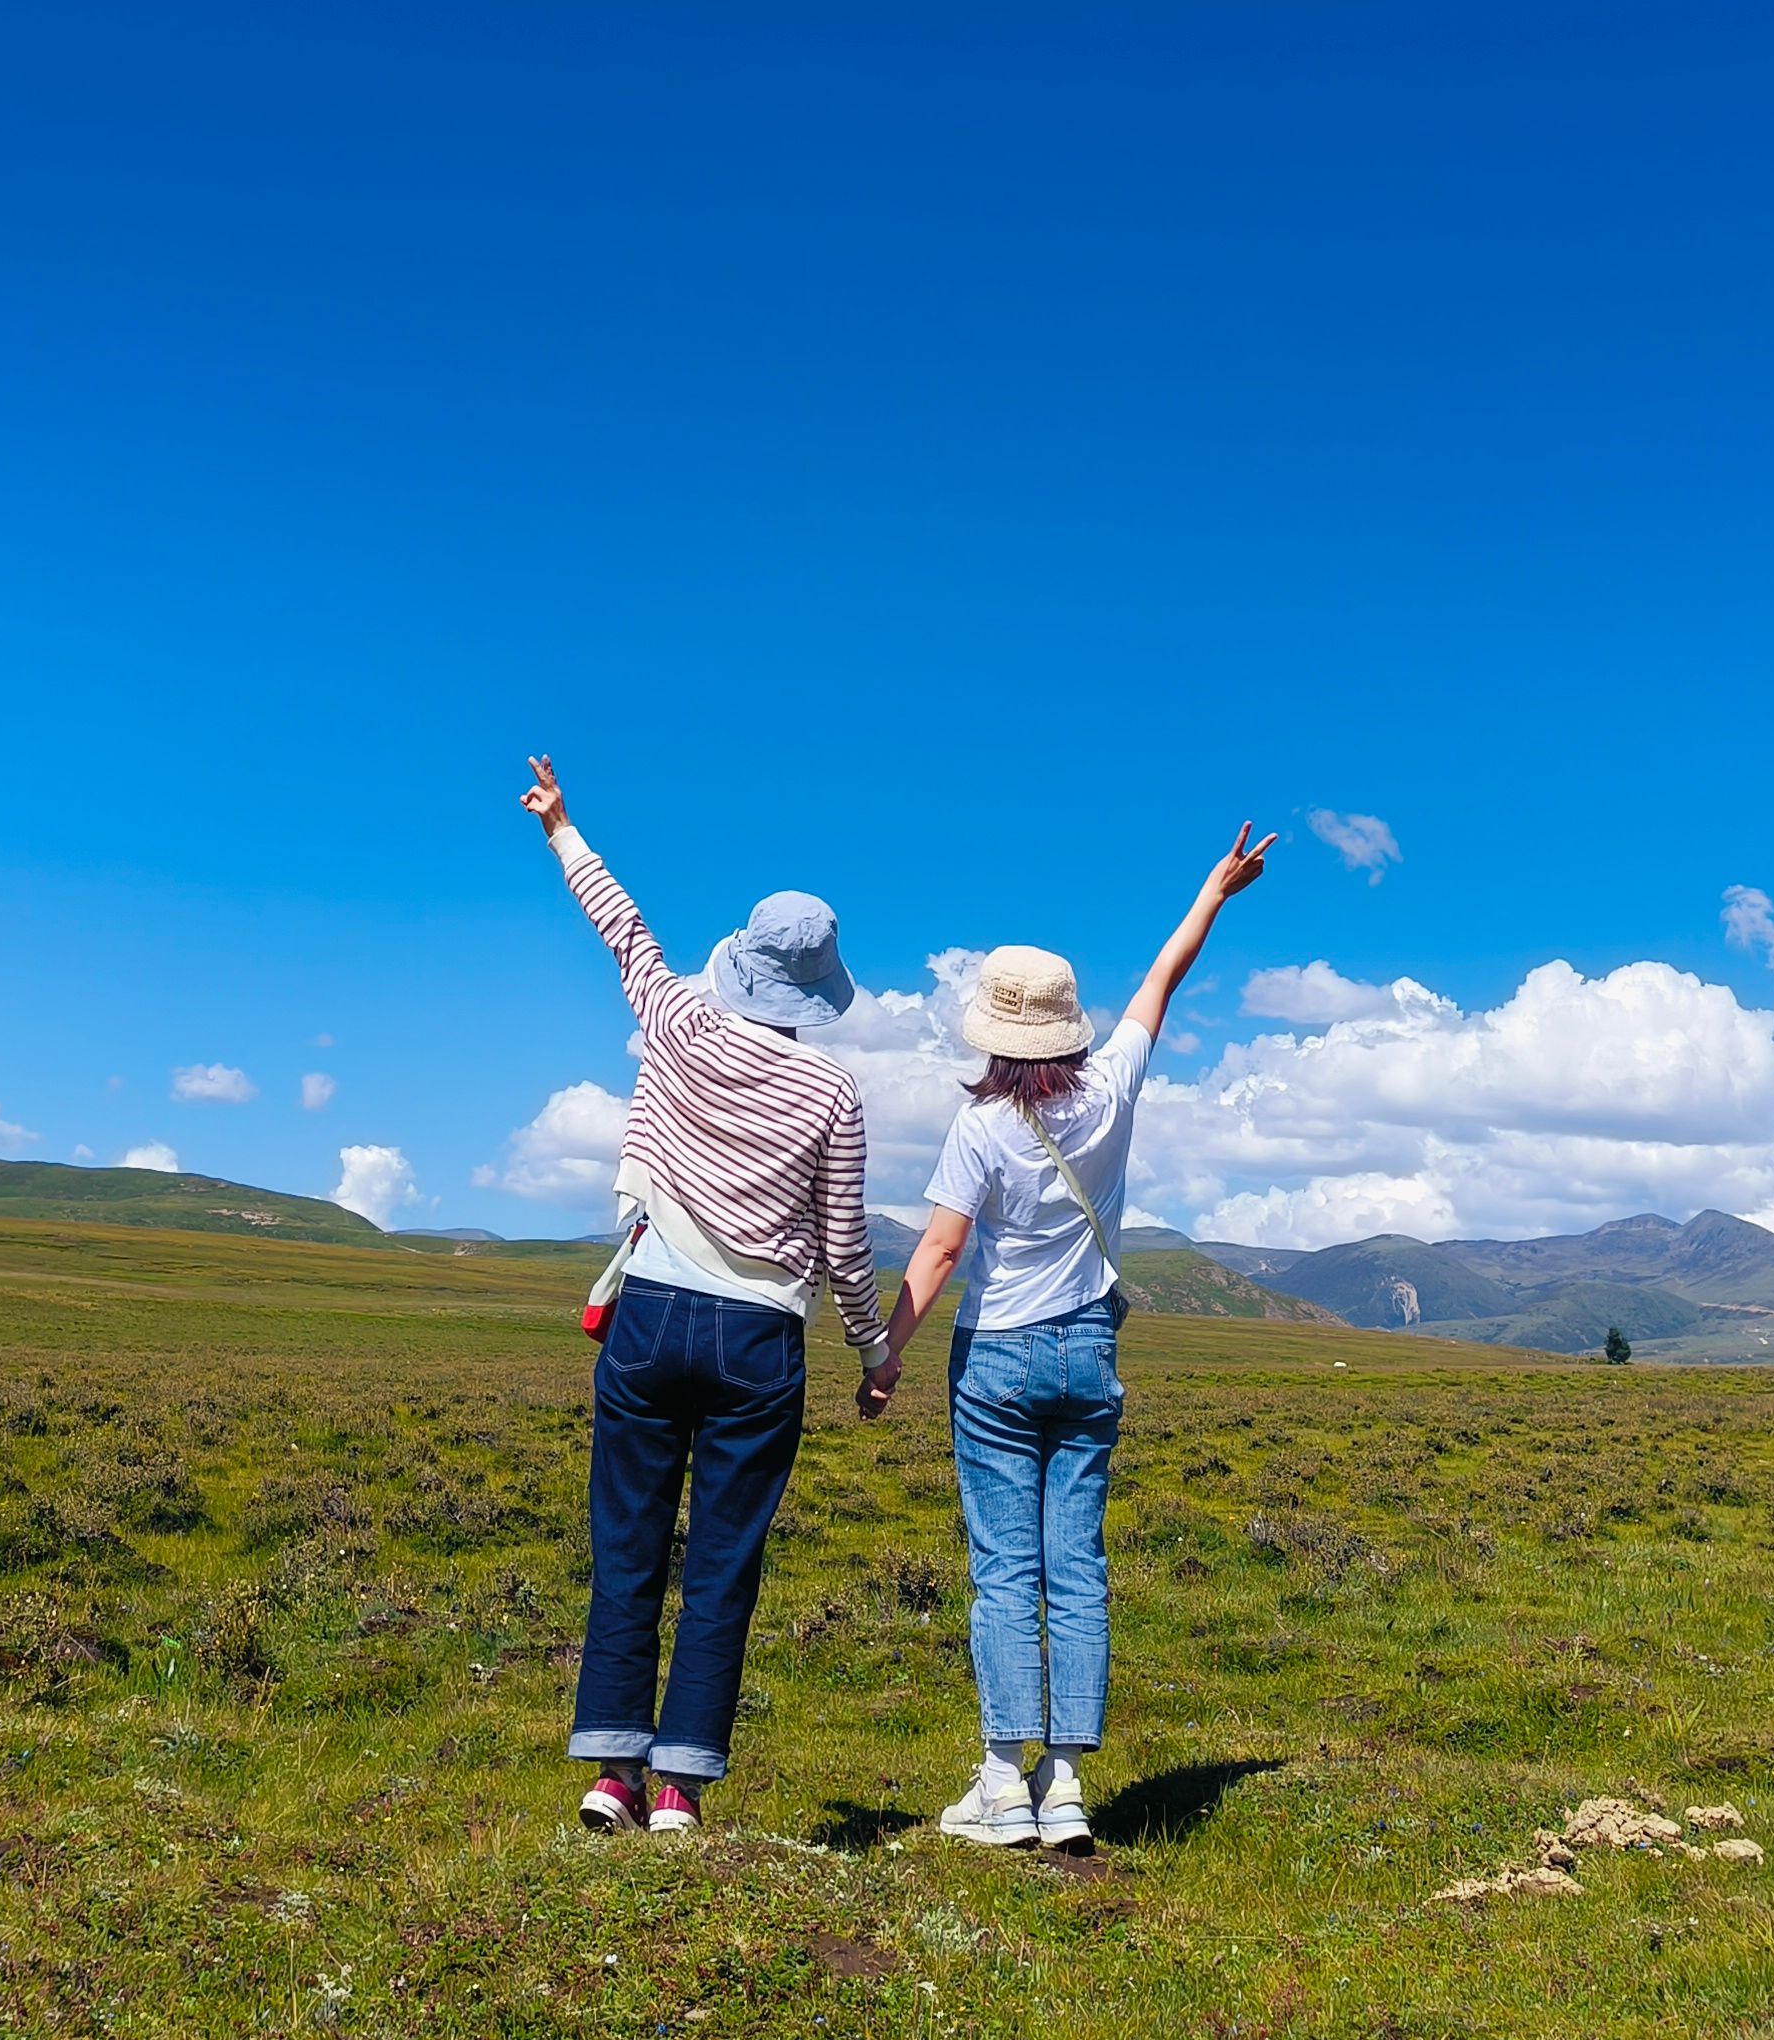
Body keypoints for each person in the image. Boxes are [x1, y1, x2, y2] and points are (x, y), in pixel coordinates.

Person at [861, 823, 1273, 1852]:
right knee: (1075, 1566)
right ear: (1067, 1027)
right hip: (1089, 1350)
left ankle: (1002, 1784)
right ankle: (1068, 1789)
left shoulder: (981, 1128)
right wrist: (1212, 893)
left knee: (1005, 1569)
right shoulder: (1114, 1090)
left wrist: (887, 1354)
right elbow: (1159, 982)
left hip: (995, 1356)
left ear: (993, 1032)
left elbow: (941, 1252)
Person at [520, 754, 885, 1835]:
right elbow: (844, 1244)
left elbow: (620, 927)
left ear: (739, 959)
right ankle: (680, 1787)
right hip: (761, 1340)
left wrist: (561, 829)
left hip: (648, 1313)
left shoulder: (675, 1018)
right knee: (723, 1560)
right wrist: (874, 1355)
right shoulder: (833, 1089)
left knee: (627, 1542)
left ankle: (609, 1777)